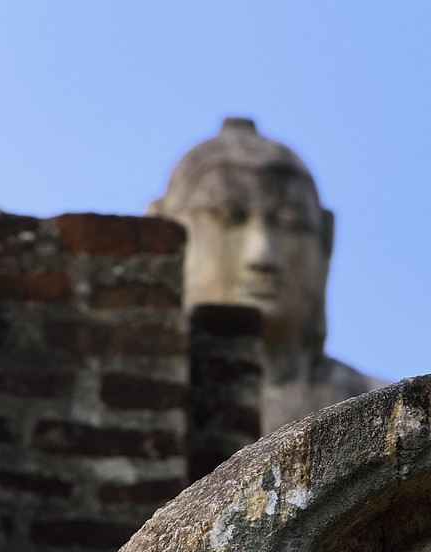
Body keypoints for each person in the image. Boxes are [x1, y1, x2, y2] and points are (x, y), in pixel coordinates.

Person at [153, 117, 381, 434]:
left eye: (289, 223)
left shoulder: (379, 411)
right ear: (164, 233)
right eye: (229, 218)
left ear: (326, 242)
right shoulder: (132, 409)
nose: (262, 255)